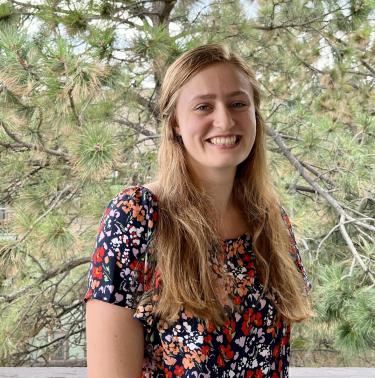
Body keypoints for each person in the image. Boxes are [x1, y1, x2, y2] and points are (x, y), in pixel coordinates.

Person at [84, 43, 313, 378]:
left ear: (255, 116)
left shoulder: (270, 220)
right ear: (175, 123)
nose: (224, 119)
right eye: (204, 106)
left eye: (238, 104)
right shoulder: (136, 216)